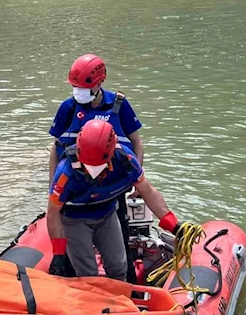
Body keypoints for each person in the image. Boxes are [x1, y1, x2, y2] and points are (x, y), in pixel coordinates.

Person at [49, 54, 144, 281]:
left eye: (83, 87)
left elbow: (137, 142)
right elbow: (55, 147)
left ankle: (127, 291)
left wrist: (136, 176)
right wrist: (53, 185)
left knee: (120, 252)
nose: (78, 91)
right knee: (75, 263)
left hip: (110, 189)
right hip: (74, 188)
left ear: (100, 82)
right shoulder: (68, 109)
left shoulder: (118, 105)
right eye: (75, 86)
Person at [47, 119, 180, 280]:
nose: (92, 172)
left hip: (107, 214)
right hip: (75, 220)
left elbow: (147, 191)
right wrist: (58, 253)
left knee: (119, 267)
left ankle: (119, 299)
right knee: (87, 273)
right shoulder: (66, 173)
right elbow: (53, 211)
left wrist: (172, 224)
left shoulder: (126, 160)